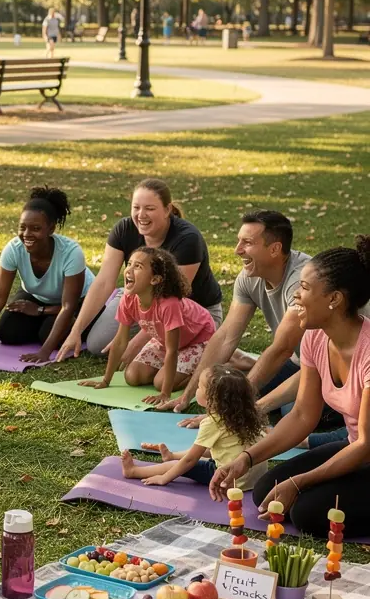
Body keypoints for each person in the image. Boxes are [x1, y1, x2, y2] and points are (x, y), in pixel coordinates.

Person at [209, 239, 370, 537]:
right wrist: (246, 458)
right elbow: (301, 416)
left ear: (334, 299)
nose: (296, 293)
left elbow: (365, 446)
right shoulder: (315, 338)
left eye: (306, 288)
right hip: (356, 449)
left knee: (307, 512)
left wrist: (299, 482)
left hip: (364, 450)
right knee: (265, 493)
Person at [57, 178, 222, 361]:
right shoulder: (124, 229)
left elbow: (173, 297)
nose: (141, 215)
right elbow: (103, 281)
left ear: (167, 210)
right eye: (136, 208)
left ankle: (231, 356)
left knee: (160, 356)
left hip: (190, 312)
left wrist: (134, 344)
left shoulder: (188, 239)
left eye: (150, 209)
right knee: (98, 346)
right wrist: (76, 330)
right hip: (140, 299)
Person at [170, 211, 311, 419]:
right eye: (239, 241)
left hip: (338, 367)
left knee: (287, 410)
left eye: (247, 242)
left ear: (275, 249)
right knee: (238, 395)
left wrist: (229, 410)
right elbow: (226, 336)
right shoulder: (249, 276)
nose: (237, 250)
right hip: (301, 361)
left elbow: (282, 348)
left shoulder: (302, 282)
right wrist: (187, 395)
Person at [0, 186, 94, 364]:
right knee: (8, 332)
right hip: (39, 296)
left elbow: (68, 306)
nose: (27, 234)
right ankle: (44, 321)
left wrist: (44, 351)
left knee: (48, 335)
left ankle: (65, 325)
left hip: (79, 301)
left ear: (51, 229)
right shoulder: (14, 249)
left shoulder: (71, 253)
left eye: (36, 228)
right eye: (22, 227)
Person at [79, 247, 215, 406]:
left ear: (155, 279)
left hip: (198, 339)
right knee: (132, 376)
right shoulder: (128, 299)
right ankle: (179, 370)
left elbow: (172, 350)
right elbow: (120, 341)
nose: (129, 269)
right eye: (129, 264)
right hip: (164, 340)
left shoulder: (169, 304)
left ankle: (210, 362)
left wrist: (165, 393)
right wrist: (105, 380)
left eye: (138, 266)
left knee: (160, 382)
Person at [120, 364, 267, 488]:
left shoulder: (213, 423)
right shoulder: (244, 415)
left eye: (199, 387)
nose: (196, 390)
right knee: (214, 449)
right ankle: (171, 455)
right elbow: (220, 450)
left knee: (177, 464)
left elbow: (190, 459)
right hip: (254, 478)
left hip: (230, 480)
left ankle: (133, 471)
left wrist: (164, 478)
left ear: (211, 399)